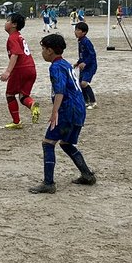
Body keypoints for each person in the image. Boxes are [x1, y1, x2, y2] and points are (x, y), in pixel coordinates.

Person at [29, 33, 96, 193]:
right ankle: (87, 175)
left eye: (43, 49)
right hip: (79, 110)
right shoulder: (66, 64)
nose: (42, 52)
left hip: (67, 110)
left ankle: (49, 183)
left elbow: (59, 91)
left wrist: (54, 112)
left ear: (50, 51)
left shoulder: (56, 67)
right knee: (66, 143)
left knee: (48, 143)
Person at [0, 12, 39, 129]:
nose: (5, 23)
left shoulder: (12, 38)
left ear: (14, 24)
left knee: (10, 95)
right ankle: (32, 104)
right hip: (31, 68)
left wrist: (8, 71)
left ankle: (16, 122)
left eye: (7, 21)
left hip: (20, 69)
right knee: (23, 96)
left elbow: (15, 54)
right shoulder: (20, 36)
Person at [73, 21, 98, 108]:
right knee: (80, 83)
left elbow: (92, 54)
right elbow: (82, 55)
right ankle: (85, 101)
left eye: (78, 30)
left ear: (84, 32)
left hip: (90, 66)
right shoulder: (80, 41)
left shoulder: (86, 41)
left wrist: (85, 62)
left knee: (83, 83)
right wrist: (78, 62)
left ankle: (93, 102)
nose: (75, 31)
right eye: (75, 29)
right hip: (83, 66)